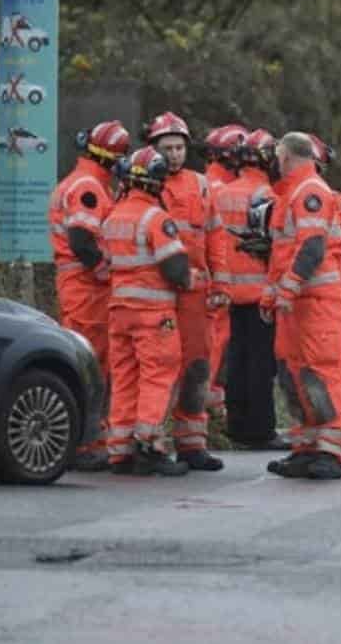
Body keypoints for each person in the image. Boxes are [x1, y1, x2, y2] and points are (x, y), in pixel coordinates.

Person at [262, 132, 341, 480]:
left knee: (321, 371)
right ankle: (307, 445)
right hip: (295, 305)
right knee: (293, 374)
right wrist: (273, 294)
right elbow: (282, 253)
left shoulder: (310, 191)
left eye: (277, 157)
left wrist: (286, 288)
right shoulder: (290, 195)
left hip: (315, 303)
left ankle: (333, 450)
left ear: (285, 157)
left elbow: (312, 249)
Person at [103, 147, 191, 476]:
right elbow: (175, 267)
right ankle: (149, 444)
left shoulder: (113, 216)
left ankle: (120, 449)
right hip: (153, 312)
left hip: (119, 310)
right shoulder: (156, 218)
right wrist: (189, 279)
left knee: (124, 376)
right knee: (159, 374)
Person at [48, 120, 130, 471]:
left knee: (90, 364)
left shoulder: (83, 182)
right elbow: (82, 241)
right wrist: (105, 273)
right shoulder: (89, 188)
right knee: (91, 366)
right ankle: (87, 444)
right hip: (87, 291)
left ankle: (89, 439)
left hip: (79, 288)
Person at [146, 111, 224, 471]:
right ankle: (152, 442)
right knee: (160, 367)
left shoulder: (201, 184)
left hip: (195, 293)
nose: (174, 154)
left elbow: (215, 237)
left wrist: (220, 280)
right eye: (167, 148)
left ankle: (193, 444)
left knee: (196, 365)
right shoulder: (145, 182)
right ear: (155, 149)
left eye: (179, 147)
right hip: (159, 291)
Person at [211, 128, 289, 450]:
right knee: (260, 364)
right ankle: (260, 430)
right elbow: (277, 246)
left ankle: (237, 426)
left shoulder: (218, 193)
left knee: (237, 360)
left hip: (227, 291)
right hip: (258, 293)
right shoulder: (269, 197)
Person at [202, 124, 248, 415]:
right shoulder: (227, 190)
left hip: (205, 276)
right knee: (216, 342)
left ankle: (212, 408)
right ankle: (208, 406)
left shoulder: (203, 184)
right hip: (220, 280)